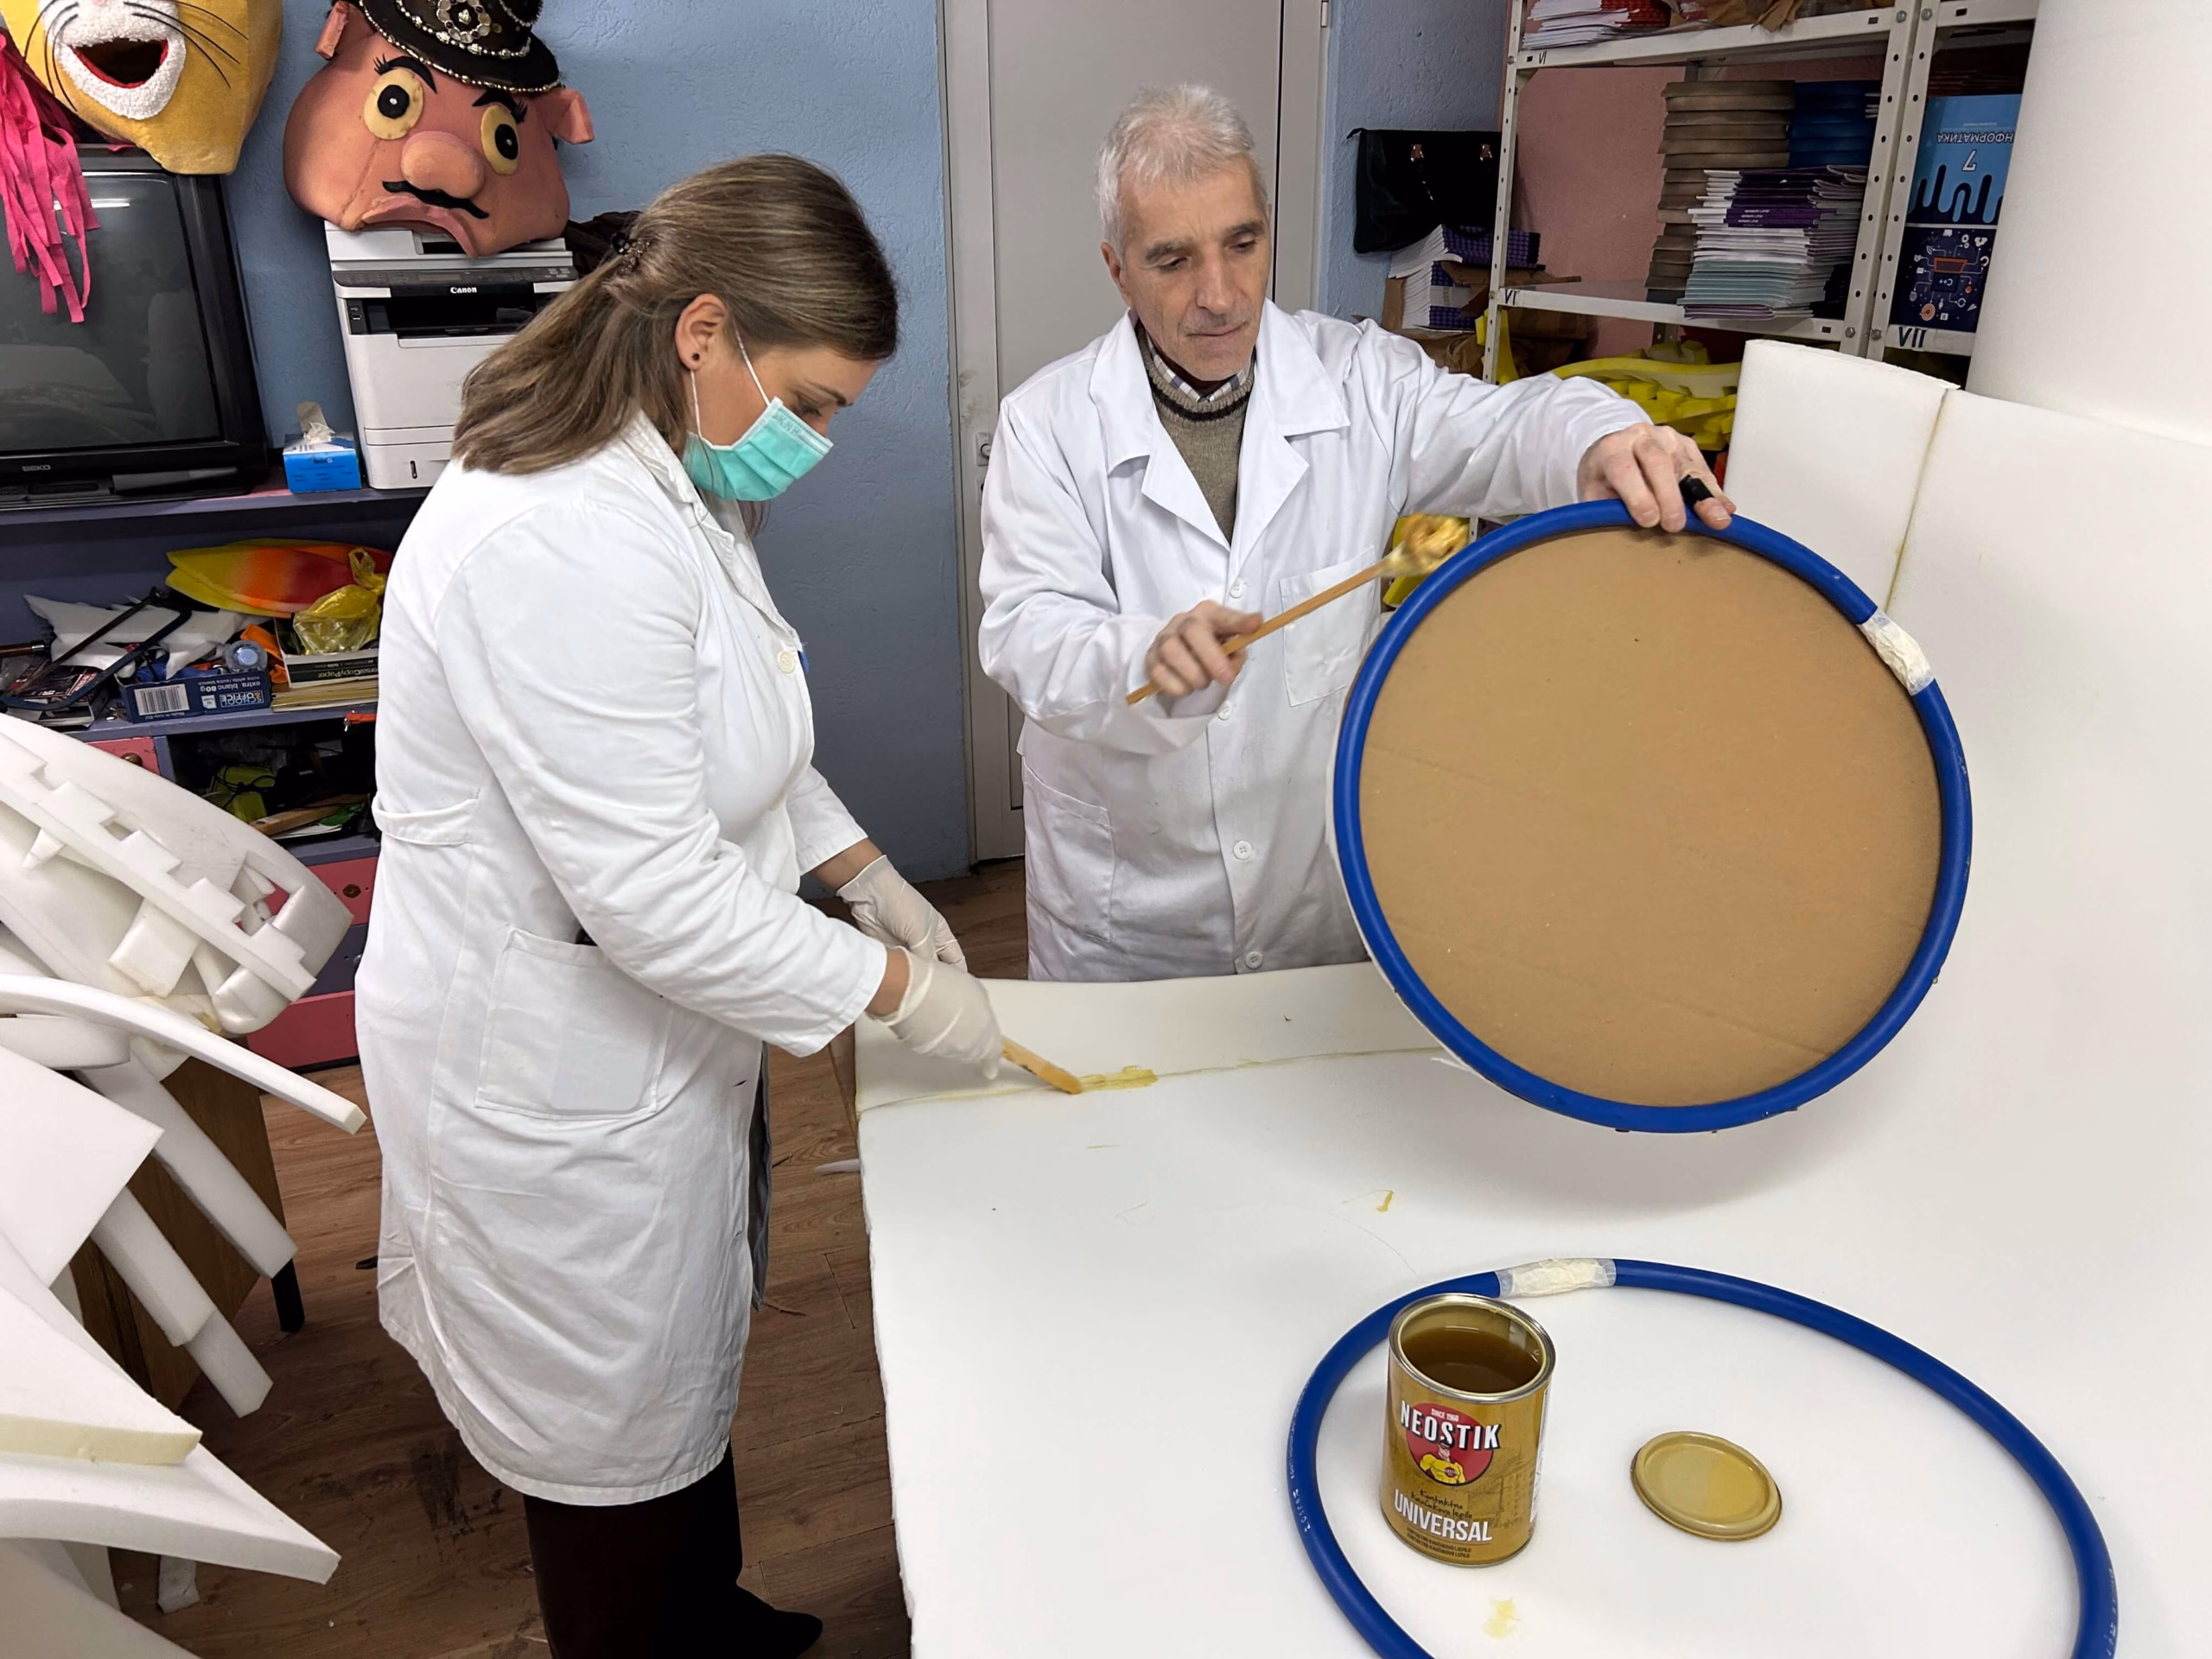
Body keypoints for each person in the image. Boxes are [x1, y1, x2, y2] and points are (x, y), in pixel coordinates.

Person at [355, 156, 1002, 1659]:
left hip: (641, 1044)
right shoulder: (557, 538)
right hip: (549, 1075)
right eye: (813, 402)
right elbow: (654, 896)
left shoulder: (676, 480)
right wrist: (903, 997)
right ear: (703, 330)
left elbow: (737, 736)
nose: (815, 444)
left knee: (674, 1372)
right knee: (607, 1435)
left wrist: (861, 869)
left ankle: (705, 1617)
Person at [979, 86, 1734, 982]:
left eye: (1242, 244)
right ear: (1117, 269)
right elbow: (1028, 631)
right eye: (1173, 260)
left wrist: (1602, 438)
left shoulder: (1361, 378)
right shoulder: (1048, 423)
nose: (1219, 294)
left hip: (1314, 899)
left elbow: (1503, 427)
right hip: (1132, 917)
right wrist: (1144, 656)